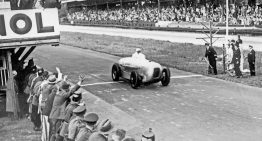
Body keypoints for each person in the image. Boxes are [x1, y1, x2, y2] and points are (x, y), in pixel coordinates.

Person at [49, 74, 85, 141]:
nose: (69, 88)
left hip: (54, 115)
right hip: (58, 117)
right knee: (57, 136)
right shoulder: (64, 95)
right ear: (66, 89)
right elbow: (72, 90)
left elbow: (63, 86)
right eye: (68, 88)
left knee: (54, 134)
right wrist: (80, 81)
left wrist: (64, 79)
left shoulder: (60, 92)